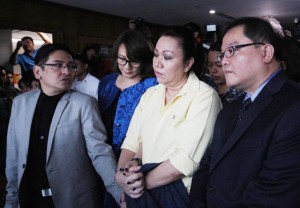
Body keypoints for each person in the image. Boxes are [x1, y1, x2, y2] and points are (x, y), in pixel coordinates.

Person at [189, 17, 300, 207]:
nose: (223, 61)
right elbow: (207, 166)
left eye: (232, 50)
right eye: (223, 54)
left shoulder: (293, 106)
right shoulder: (231, 108)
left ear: (266, 52)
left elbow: (275, 193)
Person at [115, 26, 221, 207]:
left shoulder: (204, 96)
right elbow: (131, 143)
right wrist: (121, 177)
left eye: (168, 57)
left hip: (178, 194)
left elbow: (184, 162)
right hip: (143, 188)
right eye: (156, 55)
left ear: (188, 63)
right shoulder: (150, 94)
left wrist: (137, 186)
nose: (158, 63)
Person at [5, 43, 122, 208]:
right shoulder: (21, 103)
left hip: (73, 200)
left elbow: (99, 151)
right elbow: (13, 154)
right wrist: (11, 200)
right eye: (58, 65)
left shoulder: (84, 103)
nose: (67, 72)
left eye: (71, 66)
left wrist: (120, 192)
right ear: (38, 71)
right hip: (29, 198)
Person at [98, 29, 157, 208]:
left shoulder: (153, 85)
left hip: (135, 161)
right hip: (104, 158)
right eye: (122, 59)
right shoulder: (107, 82)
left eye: (135, 60)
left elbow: (153, 128)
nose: (127, 66)